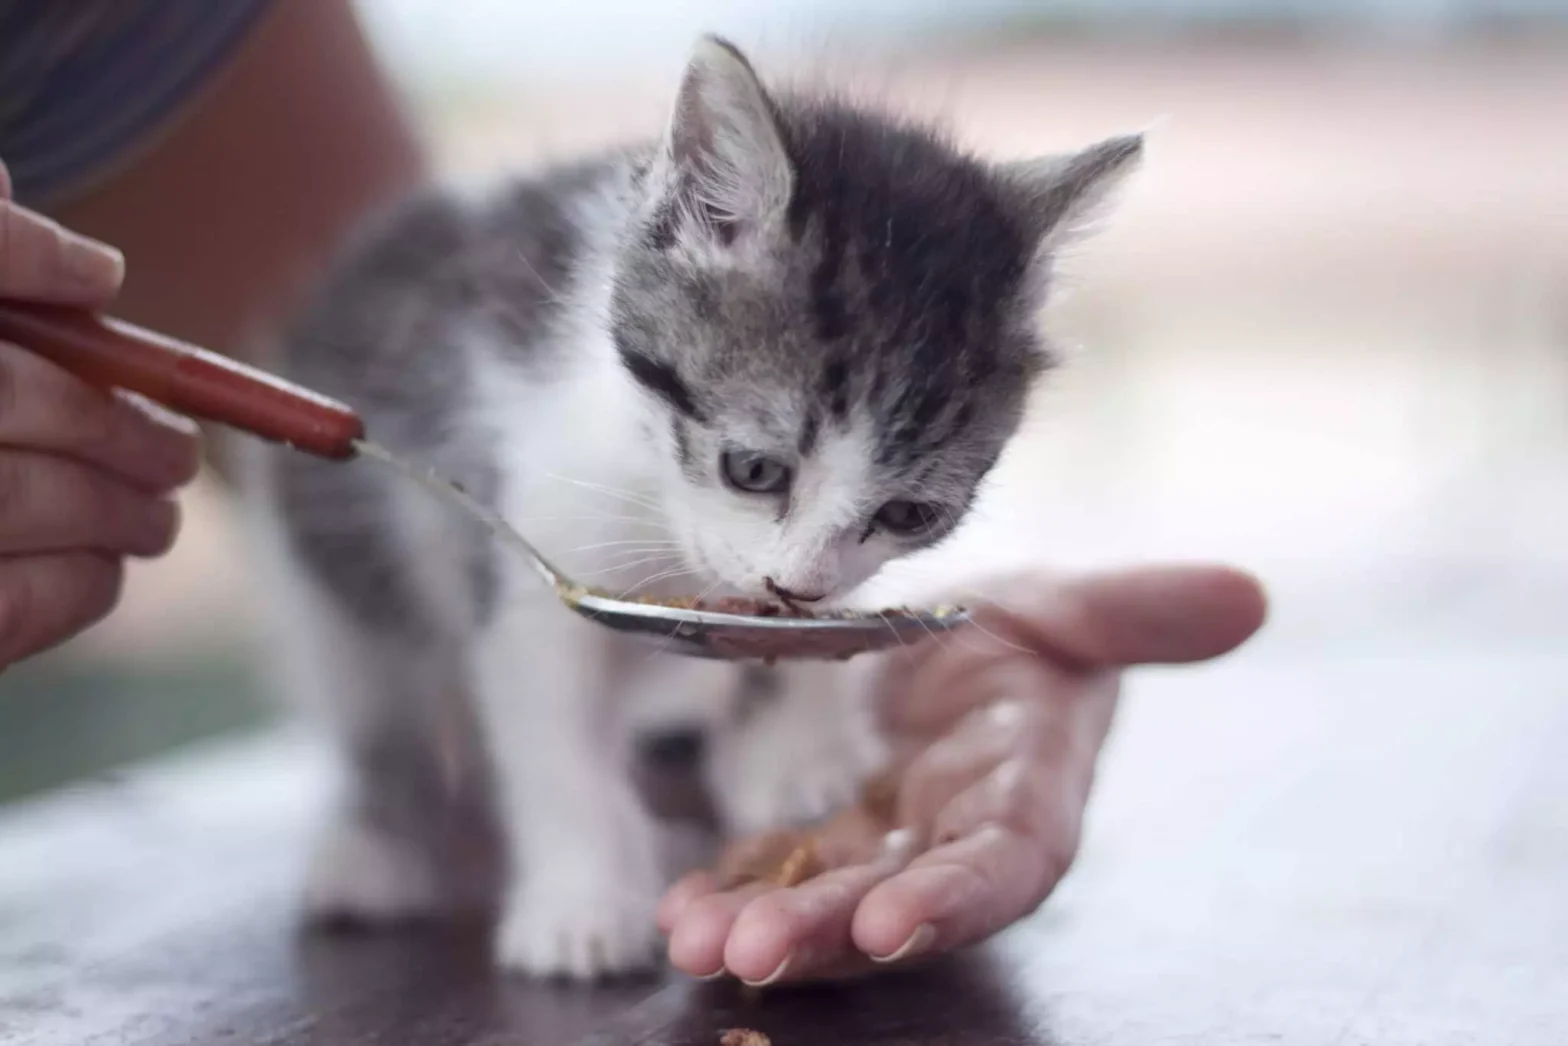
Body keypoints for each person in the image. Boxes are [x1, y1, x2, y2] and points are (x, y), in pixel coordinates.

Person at [0, 0, 1267, 979]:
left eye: (905, 515)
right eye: (756, 472)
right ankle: (404, 799)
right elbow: (509, 587)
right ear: (698, 217)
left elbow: (256, 282)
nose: (804, 575)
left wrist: (849, 679)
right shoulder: (596, 375)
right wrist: (575, 842)